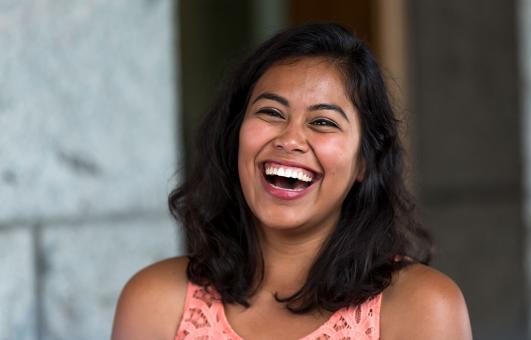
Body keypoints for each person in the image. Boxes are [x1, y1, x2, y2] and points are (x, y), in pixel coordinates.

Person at [111, 23, 472, 340]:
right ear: (235, 136)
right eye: (271, 112)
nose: (290, 139)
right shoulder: (155, 302)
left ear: (365, 161)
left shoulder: (422, 307)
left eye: (323, 122)